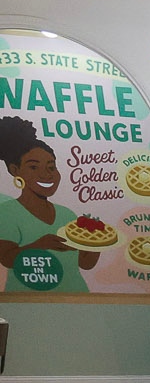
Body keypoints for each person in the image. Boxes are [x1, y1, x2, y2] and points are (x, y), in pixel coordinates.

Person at [0, 116, 100, 292]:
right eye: (33, 167)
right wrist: (40, 245)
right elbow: (7, 258)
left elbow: (85, 263)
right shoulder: (7, 211)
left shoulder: (67, 214)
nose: (46, 174)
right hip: (28, 303)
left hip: (79, 301)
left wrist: (97, 242)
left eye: (51, 167)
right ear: (15, 170)